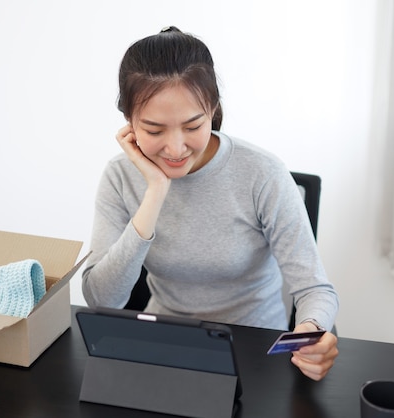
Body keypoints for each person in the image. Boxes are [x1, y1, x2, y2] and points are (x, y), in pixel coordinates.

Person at [82, 26, 339, 381]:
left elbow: (315, 289)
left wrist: (311, 332)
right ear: (130, 123)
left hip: (254, 354)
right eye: (154, 130)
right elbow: (102, 300)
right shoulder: (120, 176)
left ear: (213, 109)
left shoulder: (262, 174)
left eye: (193, 126)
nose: (175, 149)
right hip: (166, 349)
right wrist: (156, 189)